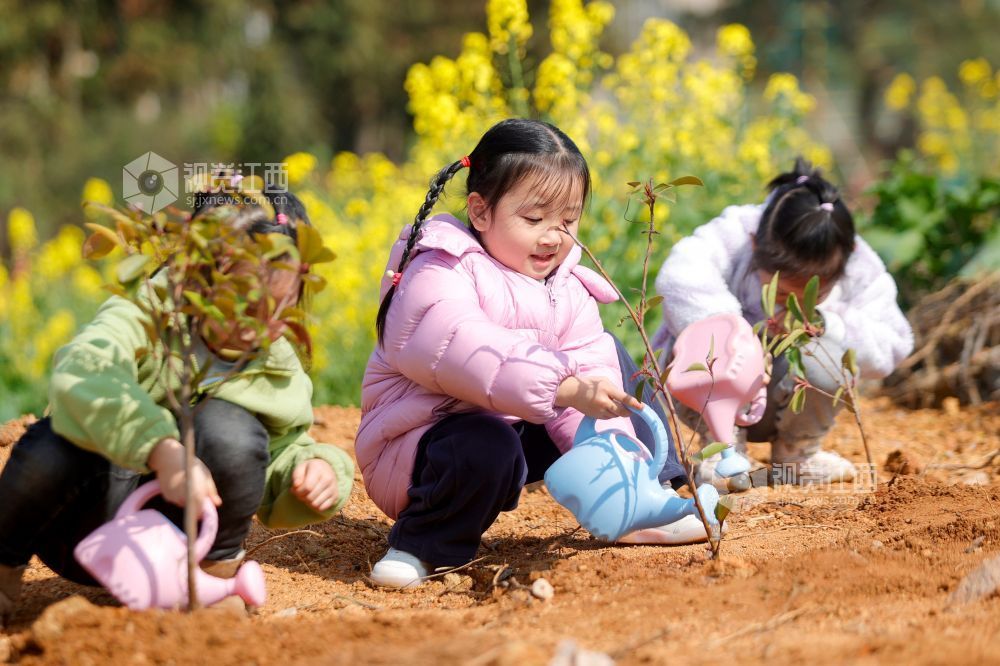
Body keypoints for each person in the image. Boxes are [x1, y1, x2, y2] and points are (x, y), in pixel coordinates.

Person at [357, 118, 707, 589]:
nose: (553, 236)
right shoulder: (438, 266)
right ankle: (422, 543)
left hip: (517, 423)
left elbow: (586, 371)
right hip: (424, 448)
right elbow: (463, 346)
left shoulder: (565, 284)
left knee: (612, 363)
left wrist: (591, 409)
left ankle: (641, 496)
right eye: (534, 219)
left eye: (568, 220)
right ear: (480, 212)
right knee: (485, 442)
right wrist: (564, 387)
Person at [0, 186, 354, 625]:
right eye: (245, 299)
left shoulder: (274, 363)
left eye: (283, 305)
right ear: (199, 274)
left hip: (180, 548)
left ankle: (212, 584)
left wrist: (317, 469)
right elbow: (83, 370)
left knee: (232, 432)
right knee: (51, 445)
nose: (261, 323)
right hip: (79, 523)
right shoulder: (146, 309)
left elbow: (278, 449)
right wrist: (162, 448)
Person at [651, 158, 913, 488]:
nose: (792, 305)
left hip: (790, 402)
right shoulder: (737, 230)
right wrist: (737, 337)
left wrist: (825, 324)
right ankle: (723, 449)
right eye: (783, 291)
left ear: (845, 265)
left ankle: (796, 456)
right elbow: (680, 276)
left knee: (832, 351)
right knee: (705, 336)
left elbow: (895, 341)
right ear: (755, 246)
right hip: (712, 397)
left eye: (814, 295)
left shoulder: (858, 261)